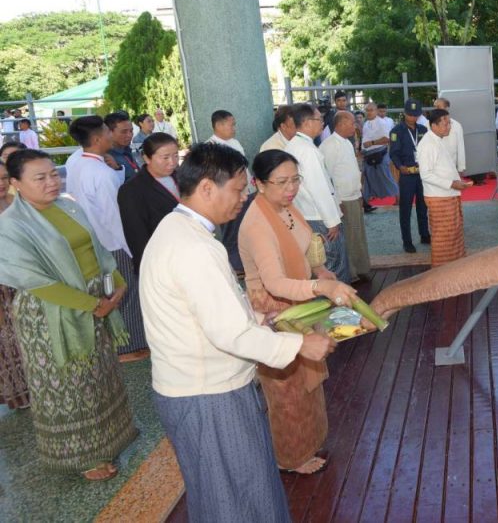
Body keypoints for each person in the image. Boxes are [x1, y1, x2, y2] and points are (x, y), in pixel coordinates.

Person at [139, 142, 336, 522]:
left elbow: (211, 312)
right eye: (238, 189)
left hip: (198, 388)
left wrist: (259, 319)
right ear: (207, 188)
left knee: (231, 489)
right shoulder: (194, 248)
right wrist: (299, 345)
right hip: (208, 394)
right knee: (234, 497)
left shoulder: (179, 230)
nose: (243, 197)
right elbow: (230, 334)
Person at [0, 149, 138, 480]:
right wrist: (92, 305)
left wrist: (116, 283)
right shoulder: (10, 225)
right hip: (51, 317)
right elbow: (35, 281)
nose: (52, 182)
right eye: (40, 178)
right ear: (16, 183)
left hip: (96, 303)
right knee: (71, 387)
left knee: (99, 377)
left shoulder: (68, 206)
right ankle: (84, 457)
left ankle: (110, 440)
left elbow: (97, 250)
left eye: (53, 174)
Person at [239, 150, 355, 475]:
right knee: (286, 388)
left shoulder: (285, 206)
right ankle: (290, 457)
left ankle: (310, 440)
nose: (291, 188)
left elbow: (303, 247)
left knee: (307, 381)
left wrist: (319, 270)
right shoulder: (258, 224)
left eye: (295, 180)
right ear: (259, 184)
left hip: (299, 299)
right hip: (275, 309)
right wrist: (321, 287)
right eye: (281, 182)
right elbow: (275, 283)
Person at [66, 116, 147, 355]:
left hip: (94, 240)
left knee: (111, 293)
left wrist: (116, 170)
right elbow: (114, 216)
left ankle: (120, 343)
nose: (112, 135)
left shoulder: (77, 162)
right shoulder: (100, 172)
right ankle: (131, 345)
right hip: (113, 242)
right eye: (107, 132)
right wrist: (131, 249)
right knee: (127, 294)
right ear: (97, 139)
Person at [286, 103, 351, 283]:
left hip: (306, 213)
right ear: (307, 123)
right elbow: (319, 188)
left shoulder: (294, 145)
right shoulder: (308, 150)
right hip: (319, 216)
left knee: (319, 264)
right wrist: (332, 221)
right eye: (319, 119)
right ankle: (339, 299)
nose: (323, 123)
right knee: (333, 265)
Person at [116, 133, 181, 274]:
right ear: (146, 158)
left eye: (175, 155)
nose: (172, 162)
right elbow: (137, 237)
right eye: (165, 157)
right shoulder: (132, 190)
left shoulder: (182, 177)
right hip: (161, 262)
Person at [417, 109, 473, 267]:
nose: (449, 126)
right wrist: (452, 183)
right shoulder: (427, 144)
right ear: (433, 125)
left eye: (449, 123)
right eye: (445, 123)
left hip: (447, 195)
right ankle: (441, 272)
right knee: (443, 238)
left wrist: (456, 182)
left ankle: (453, 269)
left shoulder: (437, 140)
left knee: (453, 235)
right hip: (439, 197)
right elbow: (425, 175)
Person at [321, 111, 371, 280]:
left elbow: (351, 169)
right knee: (349, 237)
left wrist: (359, 194)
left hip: (354, 196)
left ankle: (361, 268)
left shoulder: (347, 143)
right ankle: (351, 273)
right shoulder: (329, 145)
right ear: (340, 124)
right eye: (351, 123)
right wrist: (336, 202)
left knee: (358, 235)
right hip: (343, 199)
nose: (354, 126)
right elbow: (327, 177)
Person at [0, 161, 30, 410]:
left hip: (24, 280)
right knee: (7, 341)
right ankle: (19, 395)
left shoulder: (18, 204)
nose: (1, 183)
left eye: (4, 177)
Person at [389, 99, 431, 253]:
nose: (413, 117)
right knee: (405, 208)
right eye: (410, 114)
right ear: (404, 113)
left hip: (422, 174)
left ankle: (424, 234)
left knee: (423, 206)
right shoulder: (396, 131)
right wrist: (400, 167)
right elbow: (393, 153)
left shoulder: (423, 130)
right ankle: (407, 241)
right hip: (407, 175)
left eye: (416, 115)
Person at [360, 102, 398, 204]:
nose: (368, 112)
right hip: (368, 155)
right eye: (367, 110)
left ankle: (399, 200)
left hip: (380, 154)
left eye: (371, 110)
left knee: (387, 178)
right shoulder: (366, 123)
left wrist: (372, 143)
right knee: (368, 179)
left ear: (376, 111)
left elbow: (388, 139)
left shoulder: (382, 123)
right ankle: (366, 203)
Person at [104, 111, 139, 182]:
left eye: (131, 131)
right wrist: (117, 169)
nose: (129, 135)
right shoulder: (107, 158)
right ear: (109, 132)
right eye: (124, 132)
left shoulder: (127, 150)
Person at [434, 97, 466, 174]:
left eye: (438, 107)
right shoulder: (429, 125)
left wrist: (461, 168)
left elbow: (460, 147)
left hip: (451, 169)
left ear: (446, 108)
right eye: (435, 107)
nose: (436, 109)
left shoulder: (456, 126)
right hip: (434, 169)